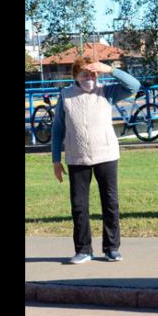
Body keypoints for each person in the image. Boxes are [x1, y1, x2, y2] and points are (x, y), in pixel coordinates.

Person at [51, 57, 140, 264]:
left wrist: (110, 69)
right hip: (77, 157)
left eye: (93, 73)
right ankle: (83, 249)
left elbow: (134, 85)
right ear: (75, 76)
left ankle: (112, 248)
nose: (89, 78)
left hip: (106, 155)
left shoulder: (107, 92)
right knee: (79, 205)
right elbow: (57, 130)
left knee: (110, 202)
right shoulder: (65, 96)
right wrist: (56, 160)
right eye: (84, 74)